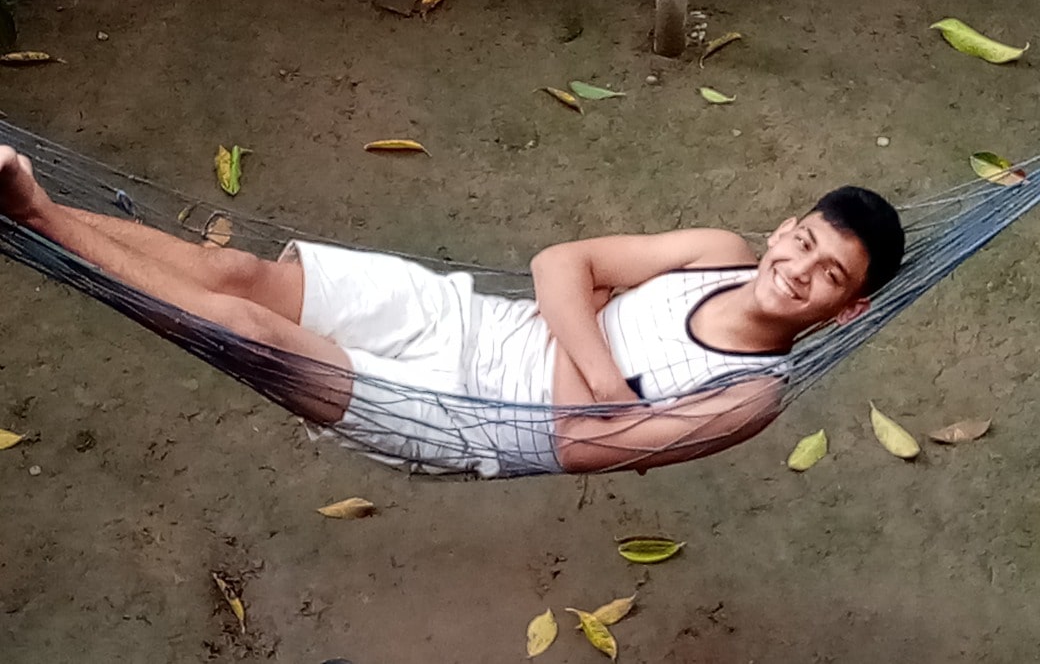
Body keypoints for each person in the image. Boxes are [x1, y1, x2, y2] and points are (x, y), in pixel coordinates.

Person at [0, 145, 904, 478]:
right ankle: (32, 195)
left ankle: (31, 214)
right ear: (783, 229)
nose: (796, 271)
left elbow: (572, 443)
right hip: (472, 319)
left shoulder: (747, 396)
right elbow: (556, 264)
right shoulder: (718, 249)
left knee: (250, 334)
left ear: (847, 310)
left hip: (465, 414)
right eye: (802, 242)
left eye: (828, 275)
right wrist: (604, 378)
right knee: (234, 273)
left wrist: (582, 316)